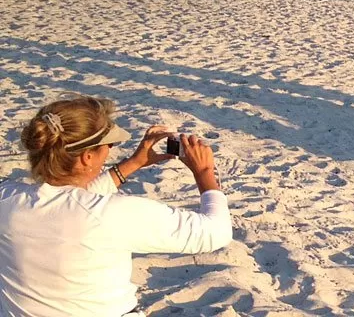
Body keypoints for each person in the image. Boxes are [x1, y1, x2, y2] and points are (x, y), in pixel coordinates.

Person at [0, 95, 232, 316]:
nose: (110, 150)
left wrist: (133, 163)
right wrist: (204, 173)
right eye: (108, 145)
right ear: (87, 157)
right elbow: (216, 233)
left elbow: (66, 203)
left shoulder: (7, 197)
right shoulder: (116, 213)